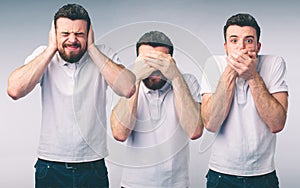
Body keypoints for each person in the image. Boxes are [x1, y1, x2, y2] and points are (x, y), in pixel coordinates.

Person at [7, 3, 136, 188]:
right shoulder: (43, 55)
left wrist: (91, 48)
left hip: (93, 167)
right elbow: (14, 90)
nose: (72, 40)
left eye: (79, 34)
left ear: (89, 33)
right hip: (50, 166)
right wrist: (51, 48)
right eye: (65, 34)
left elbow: (128, 88)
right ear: (54, 34)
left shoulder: (103, 54)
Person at [201, 13, 288, 188]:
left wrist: (252, 76)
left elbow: (277, 123)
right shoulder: (213, 64)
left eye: (248, 41)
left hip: (263, 175)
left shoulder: (274, 63)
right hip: (221, 174)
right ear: (225, 47)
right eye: (234, 41)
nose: (241, 47)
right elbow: (211, 123)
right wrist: (231, 71)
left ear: (258, 46)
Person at [110, 31, 203, 188]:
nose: (154, 68)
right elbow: (119, 133)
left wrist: (176, 77)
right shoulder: (126, 84)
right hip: (133, 184)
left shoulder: (187, 82)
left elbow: (194, 131)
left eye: (161, 61)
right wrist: (136, 77)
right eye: (148, 61)